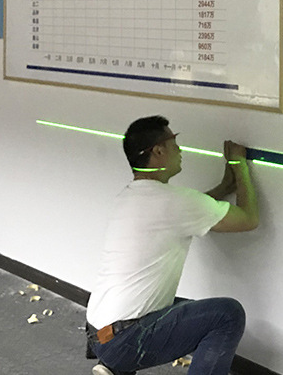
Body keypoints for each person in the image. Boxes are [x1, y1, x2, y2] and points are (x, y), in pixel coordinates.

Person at [86, 115, 259, 375]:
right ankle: (119, 362)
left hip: (98, 332)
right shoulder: (174, 202)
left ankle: (113, 368)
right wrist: (239, 163)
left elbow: (190, 209)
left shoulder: (130, 196)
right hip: (125, 340)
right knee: (227, 314)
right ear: (158, 151)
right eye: (175, 143)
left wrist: (225, 185)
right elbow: (248, 219)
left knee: (183, 309)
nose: (180, 150)